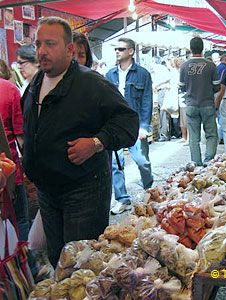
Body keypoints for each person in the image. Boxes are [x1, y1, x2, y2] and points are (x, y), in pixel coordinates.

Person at [22, 17, 139, 267]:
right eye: (38, 44)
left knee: (81, 263)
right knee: (57, 259)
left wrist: (96, 142)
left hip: (83, 190)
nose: (42, 51)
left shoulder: (92, 84)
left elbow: (128, 123)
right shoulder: (36, 83)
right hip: (48, 191)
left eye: (50, 44)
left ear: (69, 49)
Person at [106, 38, 153, 215]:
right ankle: (122, 199)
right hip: (115, 124)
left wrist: (144, 126)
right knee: (116, 163)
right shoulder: (110, 74)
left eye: (121, 48)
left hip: (135, 124)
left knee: (142, 161)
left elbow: (147, 100)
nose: (117, 51)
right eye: (116, 49)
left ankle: (148, 187)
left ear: (131, 51)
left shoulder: (143, 74)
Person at [179, 37, 220, 166]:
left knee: (194, 138)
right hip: (207, 104)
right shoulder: (211, 65)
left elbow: (181, 87)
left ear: (190, 49)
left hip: (191, 105)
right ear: (203, 48)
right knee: (212, 135)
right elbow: (217, 87)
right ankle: (208, 161)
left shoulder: (184, 66)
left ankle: (196, 164)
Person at [0, 77, 28, 241]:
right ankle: (26, 264)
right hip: (9, 175)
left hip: (8, 175)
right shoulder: (9, 89)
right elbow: (21, 137)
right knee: (20, 222)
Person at [152, 57, 172, 142]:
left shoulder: (158, 68)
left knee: (163, 113)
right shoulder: (162, 68)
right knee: (164, 114)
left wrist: (157, 84)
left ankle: (164, 134)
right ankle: (166, 134)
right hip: (162, 91)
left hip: (162, 91)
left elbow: (168, 78)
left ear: (154, 61)